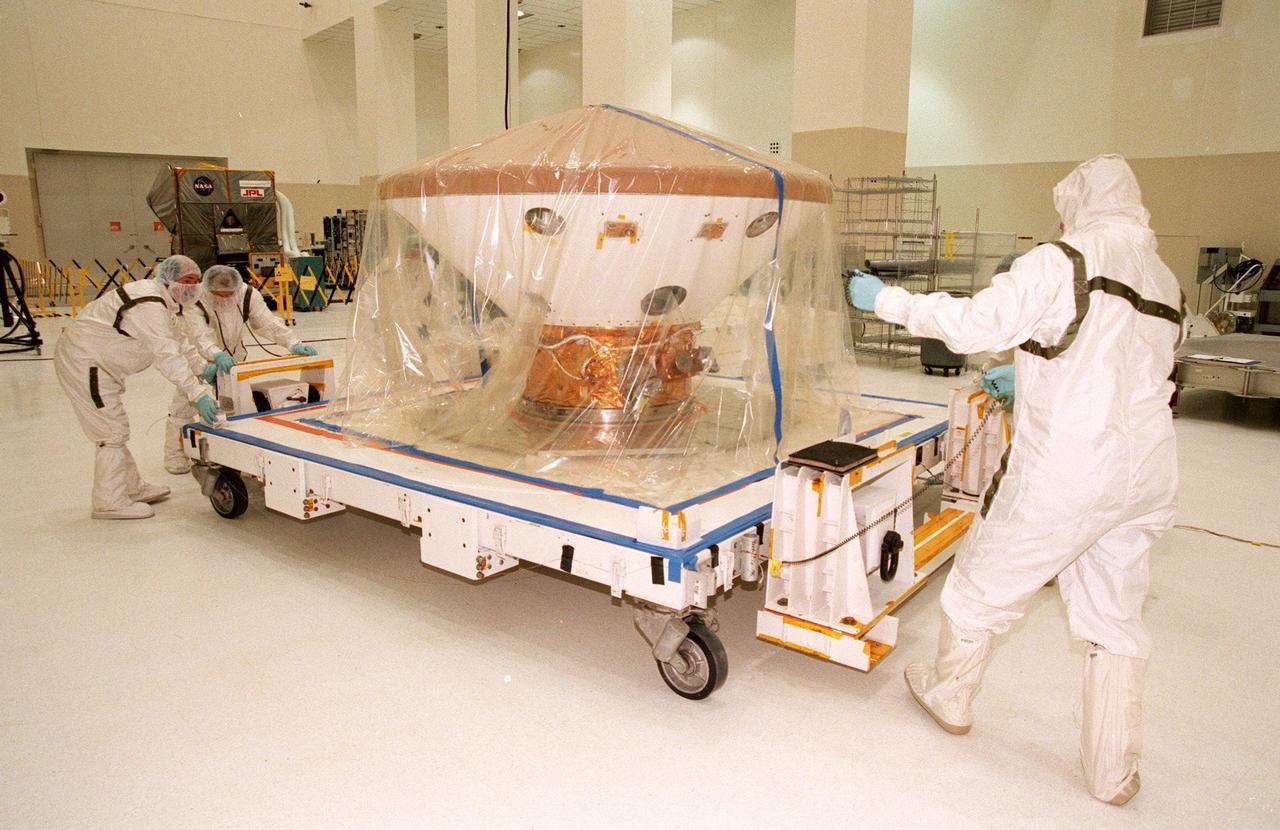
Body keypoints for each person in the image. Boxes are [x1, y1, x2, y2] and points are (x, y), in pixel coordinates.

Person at [848, 155, 1182, 805]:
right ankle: (1112, 772)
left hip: (1070, 471)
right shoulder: (1163, 277)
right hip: (1145, 473)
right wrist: (1027, 372)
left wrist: (885, 299)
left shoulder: (1064, 261)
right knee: (1114, 620)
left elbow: (978, 325)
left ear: (1079, 205)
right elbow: (1119, 360)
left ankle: (949, 693)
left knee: (979, 586)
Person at [54, 254, 220, 519]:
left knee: (115, 427)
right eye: (187, 280)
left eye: (197, 281)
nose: (193, 287)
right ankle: (109, 502)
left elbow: (179, 341)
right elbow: (166, 353)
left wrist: (203, 368)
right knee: (111, 432)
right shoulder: (148, 303)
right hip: (86, 362)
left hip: (101, 365)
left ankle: (131, 487)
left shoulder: (166, 302)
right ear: (168, 279)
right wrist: (197, 393)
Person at [163, 264, 317, 473]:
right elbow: (199, 335)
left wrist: (292, 343)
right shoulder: (195, 297)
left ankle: (227, 452)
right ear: (209, 289)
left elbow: (267, 322)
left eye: (229, 294)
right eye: (219, 294)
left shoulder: (247, 295)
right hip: (198, 354)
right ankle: (175, 454)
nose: (224, 299)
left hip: (232, 358)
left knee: (234, 404)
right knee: (186, 401)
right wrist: (214, 356)